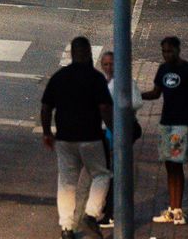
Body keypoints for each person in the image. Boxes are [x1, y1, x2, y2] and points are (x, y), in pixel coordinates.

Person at [41, 36, 113, 239]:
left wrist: (47, 133)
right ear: (89, 53)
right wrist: (113, 129)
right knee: (101, 174)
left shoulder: (59, 77)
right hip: (91, 137)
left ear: (72, 53)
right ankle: (91, 214)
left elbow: (46, 107)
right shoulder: (96, 78)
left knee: (66, 182)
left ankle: (67, 228)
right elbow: (104, 108)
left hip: (65, 138)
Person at [142, 36, 188, 225]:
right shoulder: (163, 69)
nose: (166, 55)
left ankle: (177, 209)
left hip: (181, 124)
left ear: (178, 50)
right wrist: (137, 96)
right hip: (166, 123)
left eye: (170, 51)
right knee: (169, 165)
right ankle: (172, 207)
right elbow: (156, 93)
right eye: (164, 51)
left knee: (177, 166)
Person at [99, 50, 143, 229]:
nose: (109, 67)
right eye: (106, 64)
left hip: (120, 130)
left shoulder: (124, 81)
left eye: (112, 64)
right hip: (107, 131)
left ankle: (113, 213)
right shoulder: (104, 82)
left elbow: (136, 102)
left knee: (115, 173)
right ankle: (109, 209)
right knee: (110, 172)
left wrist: (118, 108)